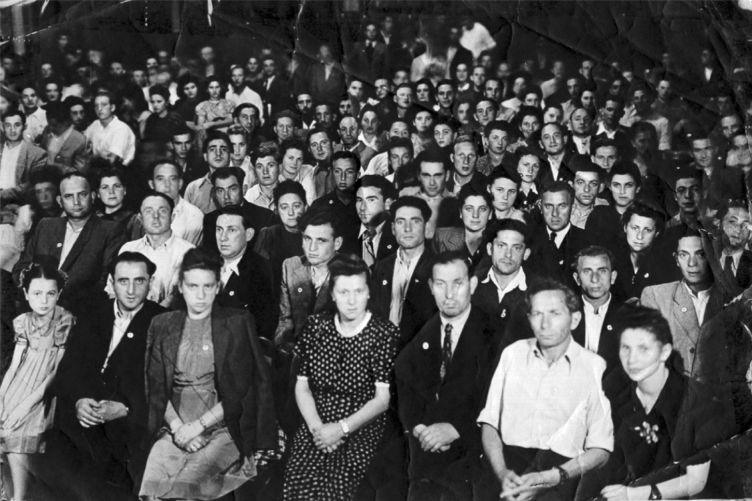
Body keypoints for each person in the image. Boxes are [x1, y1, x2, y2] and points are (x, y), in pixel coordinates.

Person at [141, 248, 277, 500]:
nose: (200, 295)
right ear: (181, 287)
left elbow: (241, 390)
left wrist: (198, 427)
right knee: (153, 492)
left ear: (217, 287)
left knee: (184, 488)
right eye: (193, 286)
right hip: (174, 426)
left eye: (208, 286)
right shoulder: (163, 324)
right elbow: (156, 386)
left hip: (222, 426)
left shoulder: (237, 322)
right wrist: (179, 429)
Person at [478, 278, 613, 500]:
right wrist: (502, 473)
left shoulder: (594, 367)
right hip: (506, 470)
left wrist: (549, 478)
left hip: (561, 476)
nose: (544, 324)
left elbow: (601, 450)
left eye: (554, 314)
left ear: (575, 319)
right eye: (537, 314)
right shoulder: (512, 354)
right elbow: (490, 423)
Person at [586, 305, 739, 500]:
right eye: (626, 348)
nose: (632, 360)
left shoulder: (700, 399)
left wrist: (632, 495)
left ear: (665, 352)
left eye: (643, 349)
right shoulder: (614, 393)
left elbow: (695, 482)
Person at [283, 254, 399, 500]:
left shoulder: (384, 333)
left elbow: (382, 400)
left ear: (369, 293)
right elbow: (302, 387)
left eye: (358, 291)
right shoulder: (316, 326)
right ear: (332, 294)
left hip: (361, 424)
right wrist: (318, 430)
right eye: (343, 292)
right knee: (298, 482)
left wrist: (341, 429)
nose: (351, 300)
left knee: (338, 487)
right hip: (317, 420)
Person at [51, 252, 166, 496]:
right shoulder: (93, 312)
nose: (131, 290)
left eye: (140, 281)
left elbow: (163, 384)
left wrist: (126, 408)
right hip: (84, 412)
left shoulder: (162, 321)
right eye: (123, 281)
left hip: (128, 419)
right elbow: (71, 366)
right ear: (112, 283)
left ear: (151, 283)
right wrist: (79, 400)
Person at [395, 251, 495, 500]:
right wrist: (420, 430)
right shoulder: (418, 333)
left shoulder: (495, 334)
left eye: (457, 283)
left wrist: (457, 429)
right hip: (425, 462)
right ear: (431, 287)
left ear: (472, 284)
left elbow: (505, 404)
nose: (449, 294)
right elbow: (404, 389)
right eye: (440, 284)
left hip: (475, 465)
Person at [0, 261, 74, 501]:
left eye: (50, 293)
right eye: (37, 293)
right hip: (19, 383)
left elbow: (56, 371)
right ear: (25, 294)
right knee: (3, 421)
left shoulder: (64, 320)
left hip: (43, 390)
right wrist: (2, 397)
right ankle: (6, 491)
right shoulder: (23, 321)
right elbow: (15, 365)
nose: (44, 300)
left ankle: (18, 498)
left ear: (59, 294)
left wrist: (26, 404)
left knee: (15, 433)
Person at [13, 172, 124, 316]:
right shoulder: (46, 226)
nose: (76, 202)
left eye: (82, 194)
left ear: (93, 196)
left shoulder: (110, 230)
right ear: (59, 200)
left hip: (78, 311)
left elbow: (104, 281)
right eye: (69, 196)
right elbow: (21, 267)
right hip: (34, 307)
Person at [640, 229, 728, 376]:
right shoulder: (656, 296)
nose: (691, 263)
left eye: (701, 254)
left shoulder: (729, 298)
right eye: (683, 255)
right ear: (676, 260)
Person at [370, 196, 436, 348]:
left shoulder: (438, 268)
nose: (407, 229)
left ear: (426, 227)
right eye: (400, 222)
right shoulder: (380, 268)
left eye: (415, 221)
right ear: (393, 229)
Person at [274, 206, 342, 352]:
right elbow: (285, 321)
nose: (312, 248)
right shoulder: (291, 266)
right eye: (307, 239)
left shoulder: (352, 272)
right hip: (296, 355)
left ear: (337, 243)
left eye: (321, 241)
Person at [114, 192, 194, 307]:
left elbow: (178, 297)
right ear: (140, 218)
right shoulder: (128, 249)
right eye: (148, 211)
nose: (155, 216)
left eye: (162, 211)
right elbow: (113, 290)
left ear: (172, 217)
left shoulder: (188, 252)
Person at [214, 205, 276, 341]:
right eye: (219, 230)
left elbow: (263, 328)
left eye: (231, 230)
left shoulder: (260, 271)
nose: (223, 238)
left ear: (249, 235)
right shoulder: (205, 262)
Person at [572, 245, 623, 374]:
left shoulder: (629, 316)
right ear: (577, 278)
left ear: (613, 277)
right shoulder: (564, 314)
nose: (595, 279)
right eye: (587, 271)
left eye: (602, 271)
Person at [201, 166, 275, 254]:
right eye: (220, 191)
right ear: (215, 194)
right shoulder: (210, 220)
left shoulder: (265, 217)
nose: (226, 197)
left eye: (232, 189)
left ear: (243, 190)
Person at [253, 180, 307, 296]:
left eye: (296, 206)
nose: (291, 213)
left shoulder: (314, 235)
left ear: (305, 206)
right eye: (284, 207)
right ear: (277, 210)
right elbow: (259, 278)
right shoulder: (268, 235)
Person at [433, 183, 492, 271]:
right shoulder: (441, 238)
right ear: (460, 212)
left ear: (490, 214)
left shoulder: (500, 241)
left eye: (482, 209)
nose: (475, 215)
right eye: (469, 209)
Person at [0, 108, 48, 205]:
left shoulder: (37, 154)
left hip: (20, 205)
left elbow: (30, 186)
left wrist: (2, 195)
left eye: (17, 125)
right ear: (2, 127)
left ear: (24, 126)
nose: (12, 130)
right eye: (8, 125)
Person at [355, 175, 398, 267]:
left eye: (371, 200)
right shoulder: (348, 235)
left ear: (388, 204)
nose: (362, 207)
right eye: (359, 200)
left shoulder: (397, 236)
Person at [84, 91, 136, 166]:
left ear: (112, 108)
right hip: (97, 169)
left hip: (118, 171)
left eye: (104, 105)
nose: (99, 108)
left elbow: (111, 160)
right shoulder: (95, 124)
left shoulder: (121, 128)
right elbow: (81, 145)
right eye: (96, 105)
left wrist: (91, 157)